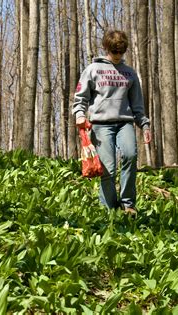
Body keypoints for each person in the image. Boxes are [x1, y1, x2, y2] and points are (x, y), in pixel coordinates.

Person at [72, 29, 151, 215]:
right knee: (107, 168)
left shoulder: (129, 73)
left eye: (121, 52)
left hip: (125, 122)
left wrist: (144, 124)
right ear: (106, 48)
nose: (117, 55)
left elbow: (137, 103)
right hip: (100, 123)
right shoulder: (93, 70)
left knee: (130, 155)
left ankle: (128, 204)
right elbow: (80, 97)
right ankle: (110, 210)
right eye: (114, 51)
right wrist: (79, 115)